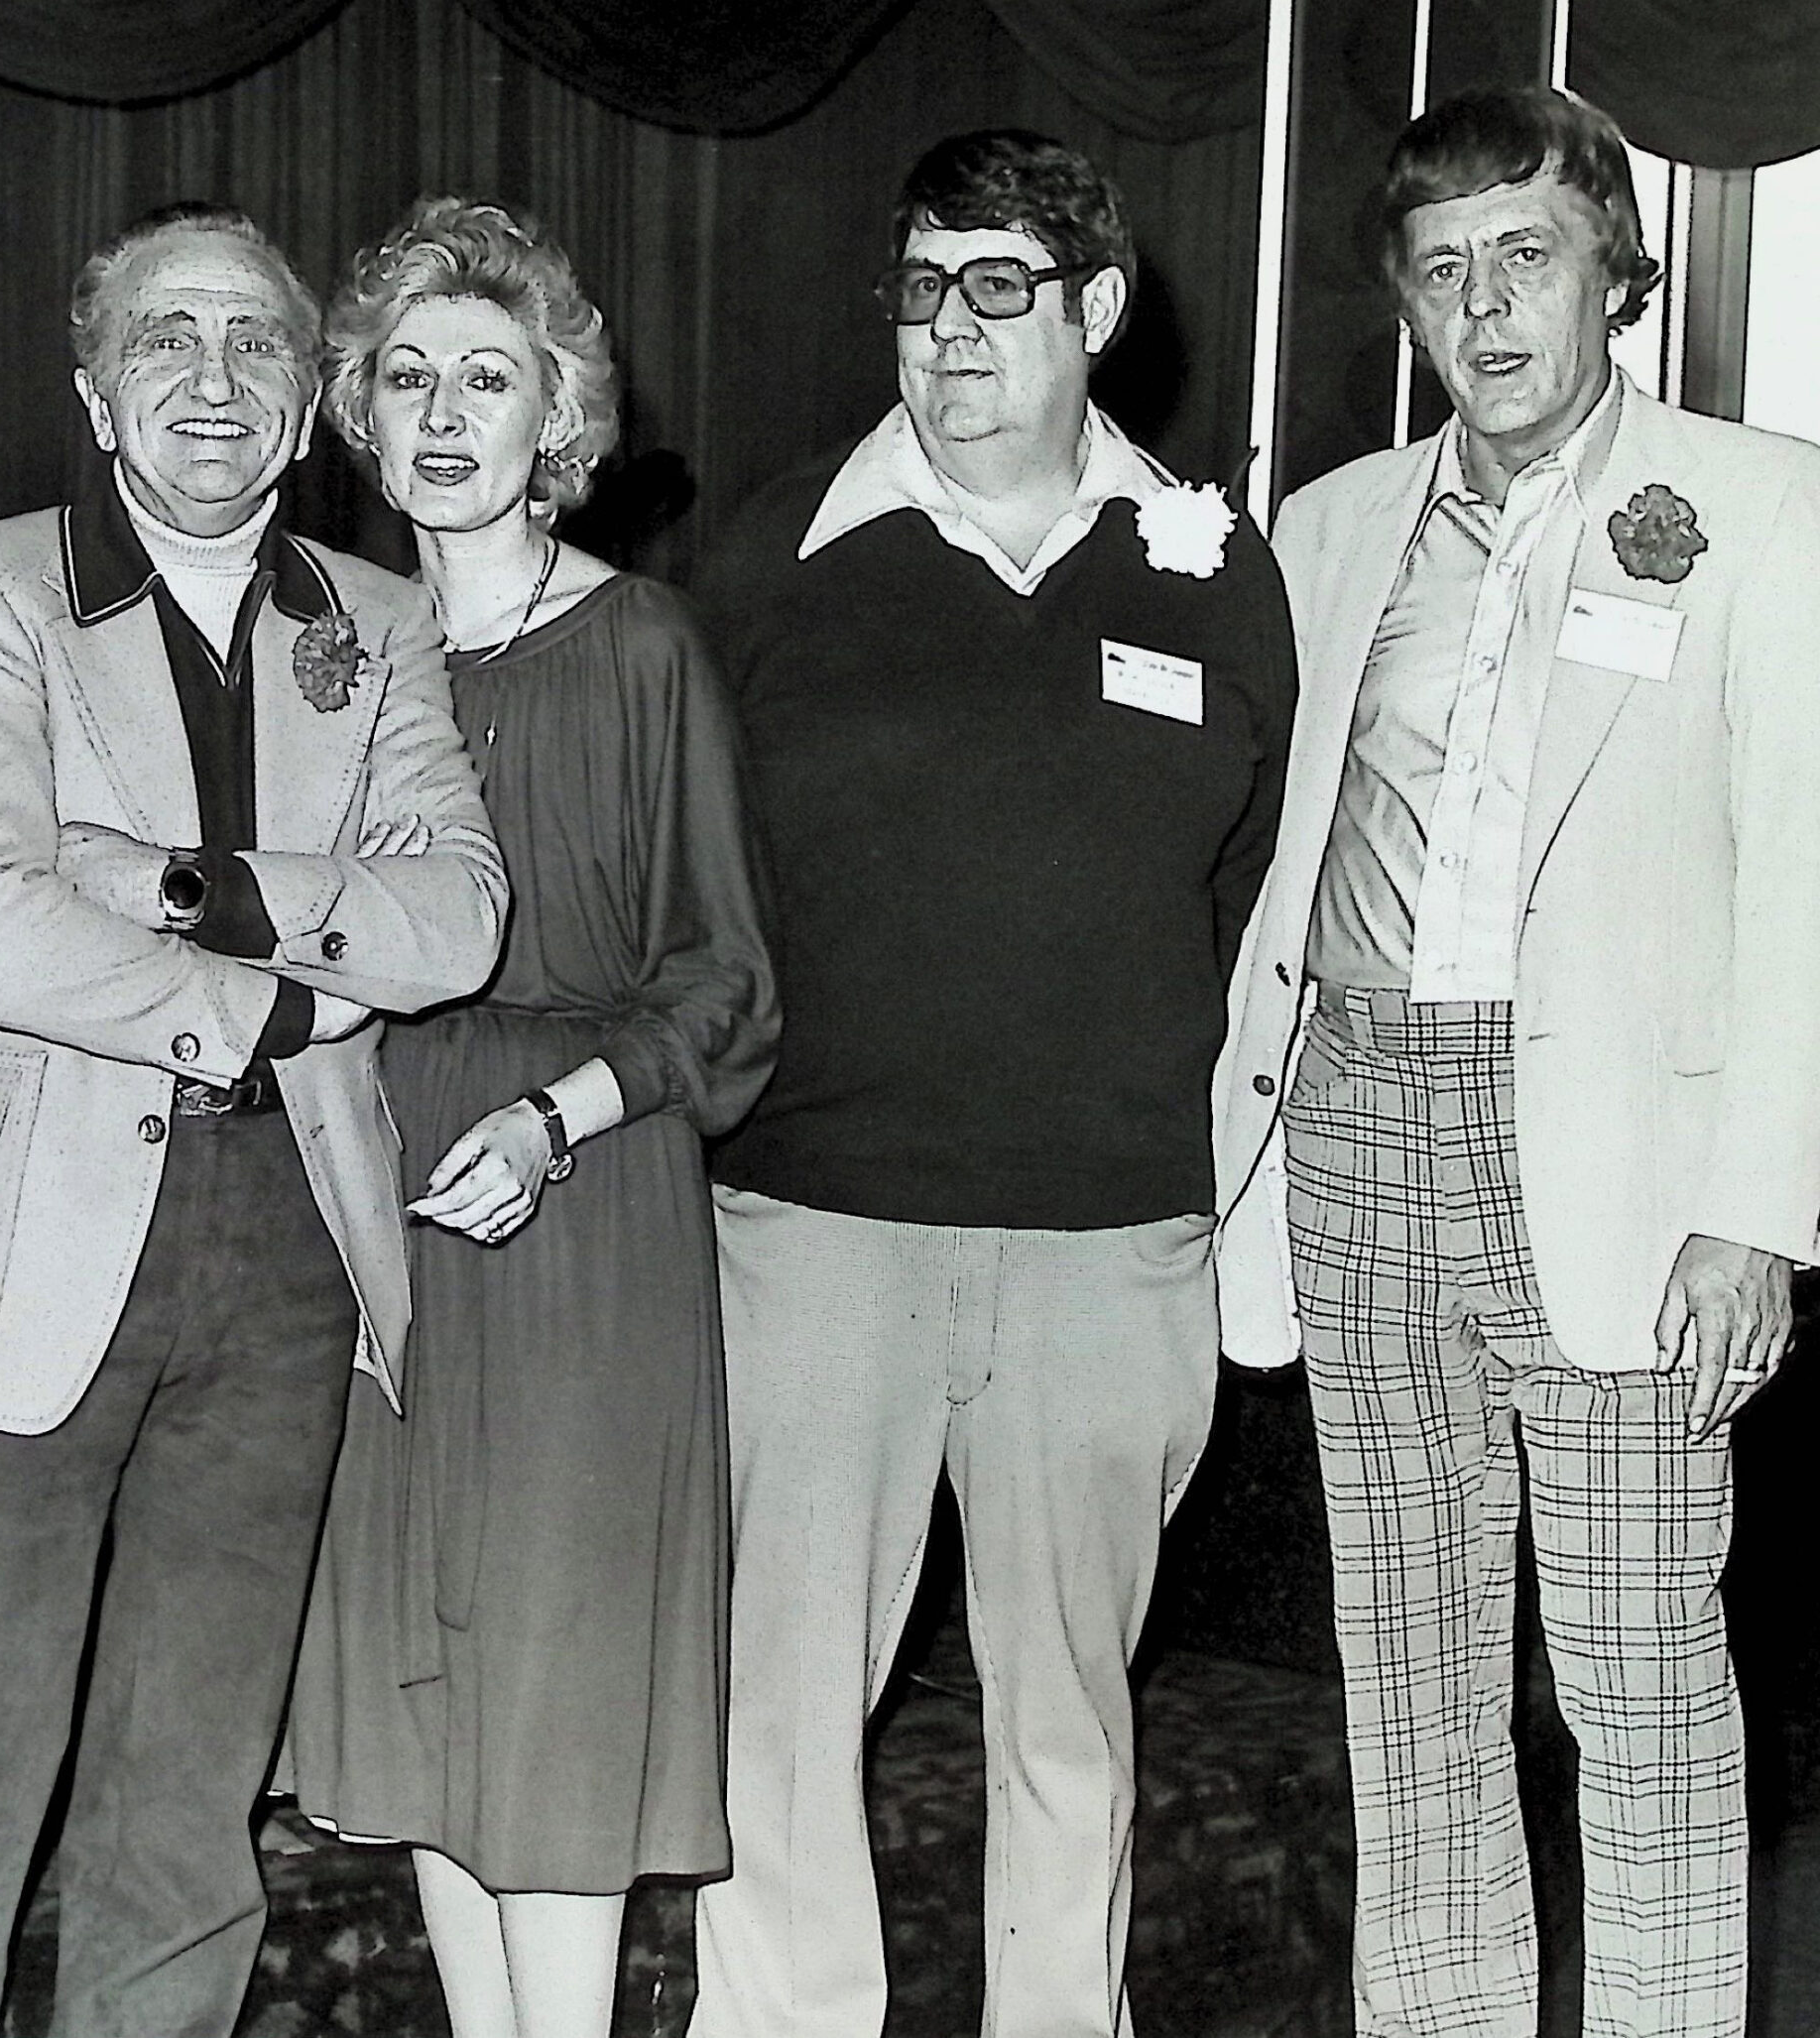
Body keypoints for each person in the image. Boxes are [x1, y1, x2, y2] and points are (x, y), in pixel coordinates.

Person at [0, 201, 507, 2038]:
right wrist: (283, 992)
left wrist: (175, 881)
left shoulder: (378, 620)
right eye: (164, 343)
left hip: (294, 1256)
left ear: (306, 410)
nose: (212, 383)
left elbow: (456, 914)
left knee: (191, 1797)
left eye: (257, 349)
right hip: (34, 1253)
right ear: (95, 391)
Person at [1213, 85, 1820, 2038]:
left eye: (1525, 255)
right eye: (1441, 268)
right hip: (1354, 1126)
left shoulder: (1761, 505)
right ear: (1401, 301)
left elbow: (1804, 880)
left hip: (1621, 1171)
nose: (1485, 308)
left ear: (1610, 274)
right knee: (1405, 1665)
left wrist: (1753, 1213)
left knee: (1639, 1670)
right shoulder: (1321, 528)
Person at [686, 130, 1297, 2038]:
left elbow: (1243, 879)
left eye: (999, 290)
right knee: (776, 1721)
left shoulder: (1214, 571)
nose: (948, 333)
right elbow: (690, 897)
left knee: (1070, 1721)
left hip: (1110, 1247)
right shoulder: (766, 560)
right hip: (814, 1234)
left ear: (1097, 312)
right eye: (920, 290)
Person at [283, 197, 779, 2038]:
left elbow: (725, 982)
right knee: (428, 1704)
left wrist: (559, 1115)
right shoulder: (328, 651)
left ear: (555, 415)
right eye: (405, 375)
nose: (441, 413)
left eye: (487, 378)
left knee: (557, 1714)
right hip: (375, 1191)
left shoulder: (641, 646)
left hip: (578, 1206)